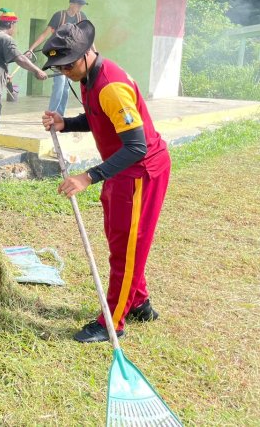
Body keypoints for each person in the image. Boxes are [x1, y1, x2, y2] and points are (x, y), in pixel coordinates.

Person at [40, 20, 171, 343]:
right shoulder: (88, 77)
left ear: (87, 54)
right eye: (60, 67)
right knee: (121, 242)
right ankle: (138, 300)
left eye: (68, 65)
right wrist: (65, 124)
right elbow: (97, 117)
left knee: (126, 249)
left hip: (140, 172)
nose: (65, 71)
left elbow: (137, 146)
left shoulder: (111, 85)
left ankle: (114, 320)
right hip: (120, 170)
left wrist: (88, 176)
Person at [0, 10, 47, 159]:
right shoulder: (6, 38)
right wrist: (37, 70)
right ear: (11, 24)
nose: (15, 29)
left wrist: (7, 70)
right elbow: (19, 59)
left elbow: (1, 58)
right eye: (15, 25)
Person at [28, 0, 91, 116]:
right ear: (71, 4)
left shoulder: (81, 17)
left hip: (73, 56)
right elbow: (45, 33)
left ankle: (60, 115)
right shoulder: (59, 16)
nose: (80, 7)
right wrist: (31, 49)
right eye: (79, 5)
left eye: (82, 5)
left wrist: (94, 51)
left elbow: (87, 36)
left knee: (67, 87)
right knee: (59, 85)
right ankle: (51, 114)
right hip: (58, 55)